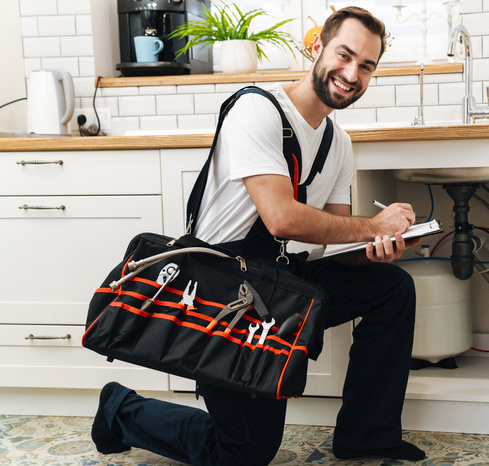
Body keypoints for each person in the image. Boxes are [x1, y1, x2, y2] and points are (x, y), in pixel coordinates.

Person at [91, 6, 425, 465]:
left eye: (366, 65)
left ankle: (366, 435)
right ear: (317, 48)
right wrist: (373, 225)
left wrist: (379, 247)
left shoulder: (338, 142)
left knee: (390, 288)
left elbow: (338, 245)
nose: (352, 73)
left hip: (277, 282)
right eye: (344, 55)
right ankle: (120, 409)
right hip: (221, 291)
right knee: (245, 453)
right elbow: (282, 220)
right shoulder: (256, 109)